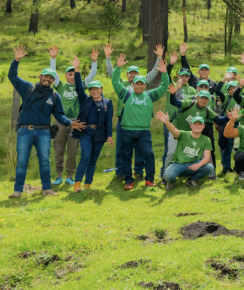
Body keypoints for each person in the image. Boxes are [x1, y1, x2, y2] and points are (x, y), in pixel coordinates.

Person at [7, 45, 85, 198]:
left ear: (53, 80)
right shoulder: (28, 88)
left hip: (43, 131)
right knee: (22, 161)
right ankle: (17, 191)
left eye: (51, 78)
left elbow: (59, 115)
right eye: (45, 76)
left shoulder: (54, 96)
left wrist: (69, 123)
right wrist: (16, 60)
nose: (47, 79)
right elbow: (12, 76)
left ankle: (47, 189)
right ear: (40, 77)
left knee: (44, 161)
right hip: (25, 130)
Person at [110, 51, 170, 190]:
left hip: (143, 131)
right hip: (127, 130)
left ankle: (149, 179)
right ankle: (128, 181)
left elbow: (163, 87)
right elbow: (115, 82)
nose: (139, 86)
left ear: (145, 85)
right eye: (137, 84)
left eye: (141, 84)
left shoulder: (150, 95)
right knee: (126, 156)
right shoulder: (126, 93)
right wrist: (118, 68)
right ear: (134, 84)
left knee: (148, 154)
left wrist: (164, 73)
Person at [103, 43, 162, 177]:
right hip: (123, 119)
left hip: (140, 120)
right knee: (121, 147)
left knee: (140, 148)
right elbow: (112, 73)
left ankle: (138, 170)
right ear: (127, 74)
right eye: (130, 73)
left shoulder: (143, 82)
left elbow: (154, 72)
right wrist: (108, 57)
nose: (133, 75)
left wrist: (159, 57)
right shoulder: (122, 84)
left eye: (135, 73)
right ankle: (121, 171)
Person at [48, 45, 98, 186]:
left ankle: (69, 175)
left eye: (73, 74)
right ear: (65, 76)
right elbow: (52, 73)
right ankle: (58, 175)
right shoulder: (60, 85)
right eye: (69, 74)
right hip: (61, 121)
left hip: (77, 123)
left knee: (72, 150)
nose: (71, 76)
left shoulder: (81, 85)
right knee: (58, 149)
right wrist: (53, 58)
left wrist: (94, 62)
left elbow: (92, 75)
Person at [71, 57, 113, 193]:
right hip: (86, 132)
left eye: (97, 89)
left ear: (101, 89)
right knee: (85, 156)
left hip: (100, 133)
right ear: (89, 90)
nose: (94, 91)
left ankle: (88, 185)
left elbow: (109, 120)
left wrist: (110, 135)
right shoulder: (85, 100)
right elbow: (78, 87)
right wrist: (77, 71)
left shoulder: (107, 103)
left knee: (93, 160)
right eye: (91, 89)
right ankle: (77, 184)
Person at [155, 112, 214, 189]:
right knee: (168, 176)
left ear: (203, 126)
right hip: (179, 165)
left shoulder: (206, 140)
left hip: (193, 165)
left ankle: (192, 180)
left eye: (200, 124)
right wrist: (167, 122)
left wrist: (198, 165)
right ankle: (171, 180)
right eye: (195, 124)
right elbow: (174, 130)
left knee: (210, 167)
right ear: (191, 125)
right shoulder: (183, 135)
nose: (197, 126)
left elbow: (207, 157)